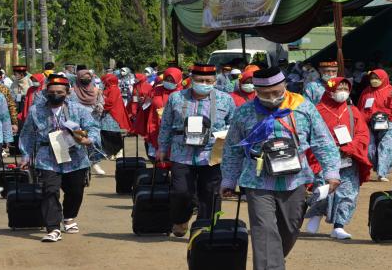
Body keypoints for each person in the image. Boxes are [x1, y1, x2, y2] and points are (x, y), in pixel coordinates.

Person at [220, 67, 341, 270]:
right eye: (265, 95)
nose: (272, 98)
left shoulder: (303, 106)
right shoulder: (244, 112)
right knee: (264, 230)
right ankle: (271, 265)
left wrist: (331, 172)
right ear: (255, 92)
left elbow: (322, 141)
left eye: (277, 92)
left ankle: (273, 260)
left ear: (285, 85)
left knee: (290, 229)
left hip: (295, 180)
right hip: (257, 181)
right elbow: (233, 148)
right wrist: (229, 179)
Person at [19, 75, 100, 242]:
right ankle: (53, 228)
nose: (55, 94)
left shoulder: (78, 109)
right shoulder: (36, 110)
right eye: (52, 91)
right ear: (46, 92)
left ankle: (69, 216)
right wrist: (25, 155)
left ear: (67, 92)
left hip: (75, 156)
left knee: (76, 190)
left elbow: (93, 127)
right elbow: (27, 134)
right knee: (49, 190)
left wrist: (89, 139)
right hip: (46, 155)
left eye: (59, 92)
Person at [157, 63, 235, 237]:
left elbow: (233, 125)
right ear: (191, 80)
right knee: (181, 192)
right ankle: (180, 219)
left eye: (208, 80)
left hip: (212, 155)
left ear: (215, 80)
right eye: (200, 80)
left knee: (210, 194)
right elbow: (166, 124)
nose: (204, 83)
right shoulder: (176, 98)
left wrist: (226, 138)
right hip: (181, 153)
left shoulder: (226, 99)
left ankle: (203, 228)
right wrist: (162, 147)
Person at [306, 77, 372, 239]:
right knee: (323, 188)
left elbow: (362, 134)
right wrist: (327, 150)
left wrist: (349, 148)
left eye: (345, 89)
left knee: (348, 192)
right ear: (329, 90)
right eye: (338, 88)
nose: (342, 92)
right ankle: (317, 213)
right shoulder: (317, 111)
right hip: (323, 159)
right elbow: (309, 135)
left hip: (349, 158)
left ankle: (339, 226)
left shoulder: (353, 111)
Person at [357, 69, 392, 182]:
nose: (374, 80)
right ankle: (377, 167)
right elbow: (361, 108)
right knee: (370, 150)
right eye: (372, 78)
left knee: (385, 148)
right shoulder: (366, 92)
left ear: (384, 78)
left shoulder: (391, 91)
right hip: (371, 125)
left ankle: (382, 173)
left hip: (388, 124)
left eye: (377, 78)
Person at [139, 67, 183, 160]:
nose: (169, 82)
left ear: (178, 80)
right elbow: (145, 108)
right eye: (167, 79)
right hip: (155, 127)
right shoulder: (154, 91)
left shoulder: (183, 93)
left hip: (174, 129)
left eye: (172, 80)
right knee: (154, 158)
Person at [72, 69, 106, 175]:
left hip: (93, 120)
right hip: (77, 122)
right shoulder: (72, 91)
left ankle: (94, 163)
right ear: (78, 78)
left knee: (94, 142)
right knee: (77, 142)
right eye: (83, 77)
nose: (86, 79)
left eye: (88, 77)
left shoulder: (96, 90)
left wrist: (99, 107)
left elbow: (101, 102)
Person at [99, 74, 132, 159]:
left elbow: (110, 102)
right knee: (106, 133)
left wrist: (101, 101)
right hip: (107, 114)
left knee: (114, 133)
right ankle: (110, 152)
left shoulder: (114, 89)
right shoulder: (109, 88)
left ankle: (119, 150)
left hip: (113, 114)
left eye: (104, 81)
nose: (103, 83)